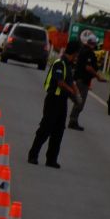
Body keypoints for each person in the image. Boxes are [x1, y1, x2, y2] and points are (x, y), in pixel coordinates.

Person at [27, 39, 80, 168]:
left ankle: (51, 159)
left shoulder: (68, 65)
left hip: (62, 102)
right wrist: (73, 93)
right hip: (53, 100)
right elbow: (60, 83)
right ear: (74, 52)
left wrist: (77, 92)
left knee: (58, 131)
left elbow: (71, 81)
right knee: (45, 129)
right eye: (77, 54)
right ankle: (33, 155)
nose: (77, 56)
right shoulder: (59, 63)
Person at [68, 36, 105, 130]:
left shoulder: (82, 50)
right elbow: (88, 67)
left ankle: (73, 120)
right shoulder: (88, 53)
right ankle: (73, 121)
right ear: (93, 43)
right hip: (82, 80)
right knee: (80, 102)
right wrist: (98, 76)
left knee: (78, 100)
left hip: (80, 79)